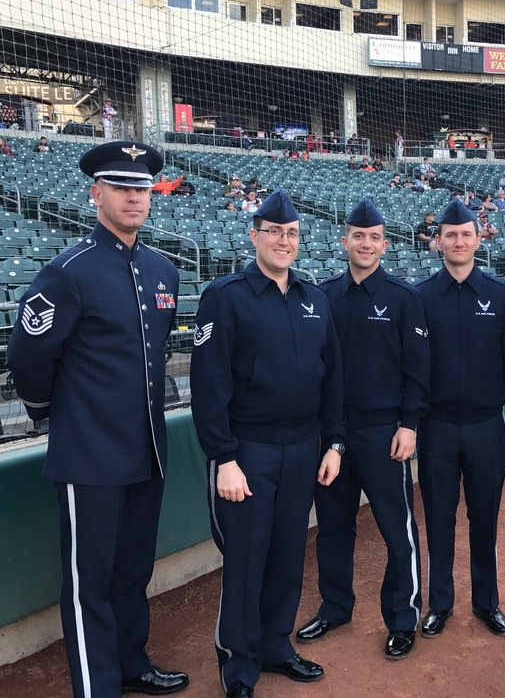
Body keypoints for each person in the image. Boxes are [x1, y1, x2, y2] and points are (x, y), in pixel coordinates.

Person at [5, 141, 188, 698]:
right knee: (90, 584)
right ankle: (97, 685)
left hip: (147, 450)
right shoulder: (69, 271)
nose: (135, 198)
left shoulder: (163, 270)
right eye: (121, 188)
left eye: (142, 189)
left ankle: (130, 664)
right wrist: (50, 414)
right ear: (96, 194)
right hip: (89, 453)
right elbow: (28, 356)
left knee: (133, 574)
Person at [190, 189, 345, 698]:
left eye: (292, 233)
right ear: (254, 235)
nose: (283, 240)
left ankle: (276, 645)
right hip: (248, 451)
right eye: (274, 231)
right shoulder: (226, 295)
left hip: (304, 448)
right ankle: (238, 665)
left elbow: (333, 379)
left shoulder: (313, 297)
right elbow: (208, 386)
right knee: (245, 560)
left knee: (286, 554)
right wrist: (225, 457)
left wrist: (334, 443)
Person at [296, 198, 429, 661]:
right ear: (344, 240)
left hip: (383, 432)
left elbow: (418, 371)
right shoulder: (321, 297)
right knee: (333, 527)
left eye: (374, 237)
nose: (366, 243)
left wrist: (409, 425)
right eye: (358, 235)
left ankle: (403, 617)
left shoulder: (403, 298)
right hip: (332, 435)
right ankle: (335, 606)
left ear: (385, 244)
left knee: (398, 529)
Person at [414, 199, 505, 640]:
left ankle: (486, 602)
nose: (458, 241)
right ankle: (440, 603)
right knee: (439, 518)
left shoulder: (502, 296)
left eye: (466, 233)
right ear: (438, 241)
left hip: (485, 426)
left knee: (485, 516)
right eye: (450, 234)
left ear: (479, 238)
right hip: (435, 426)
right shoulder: (418, 297)